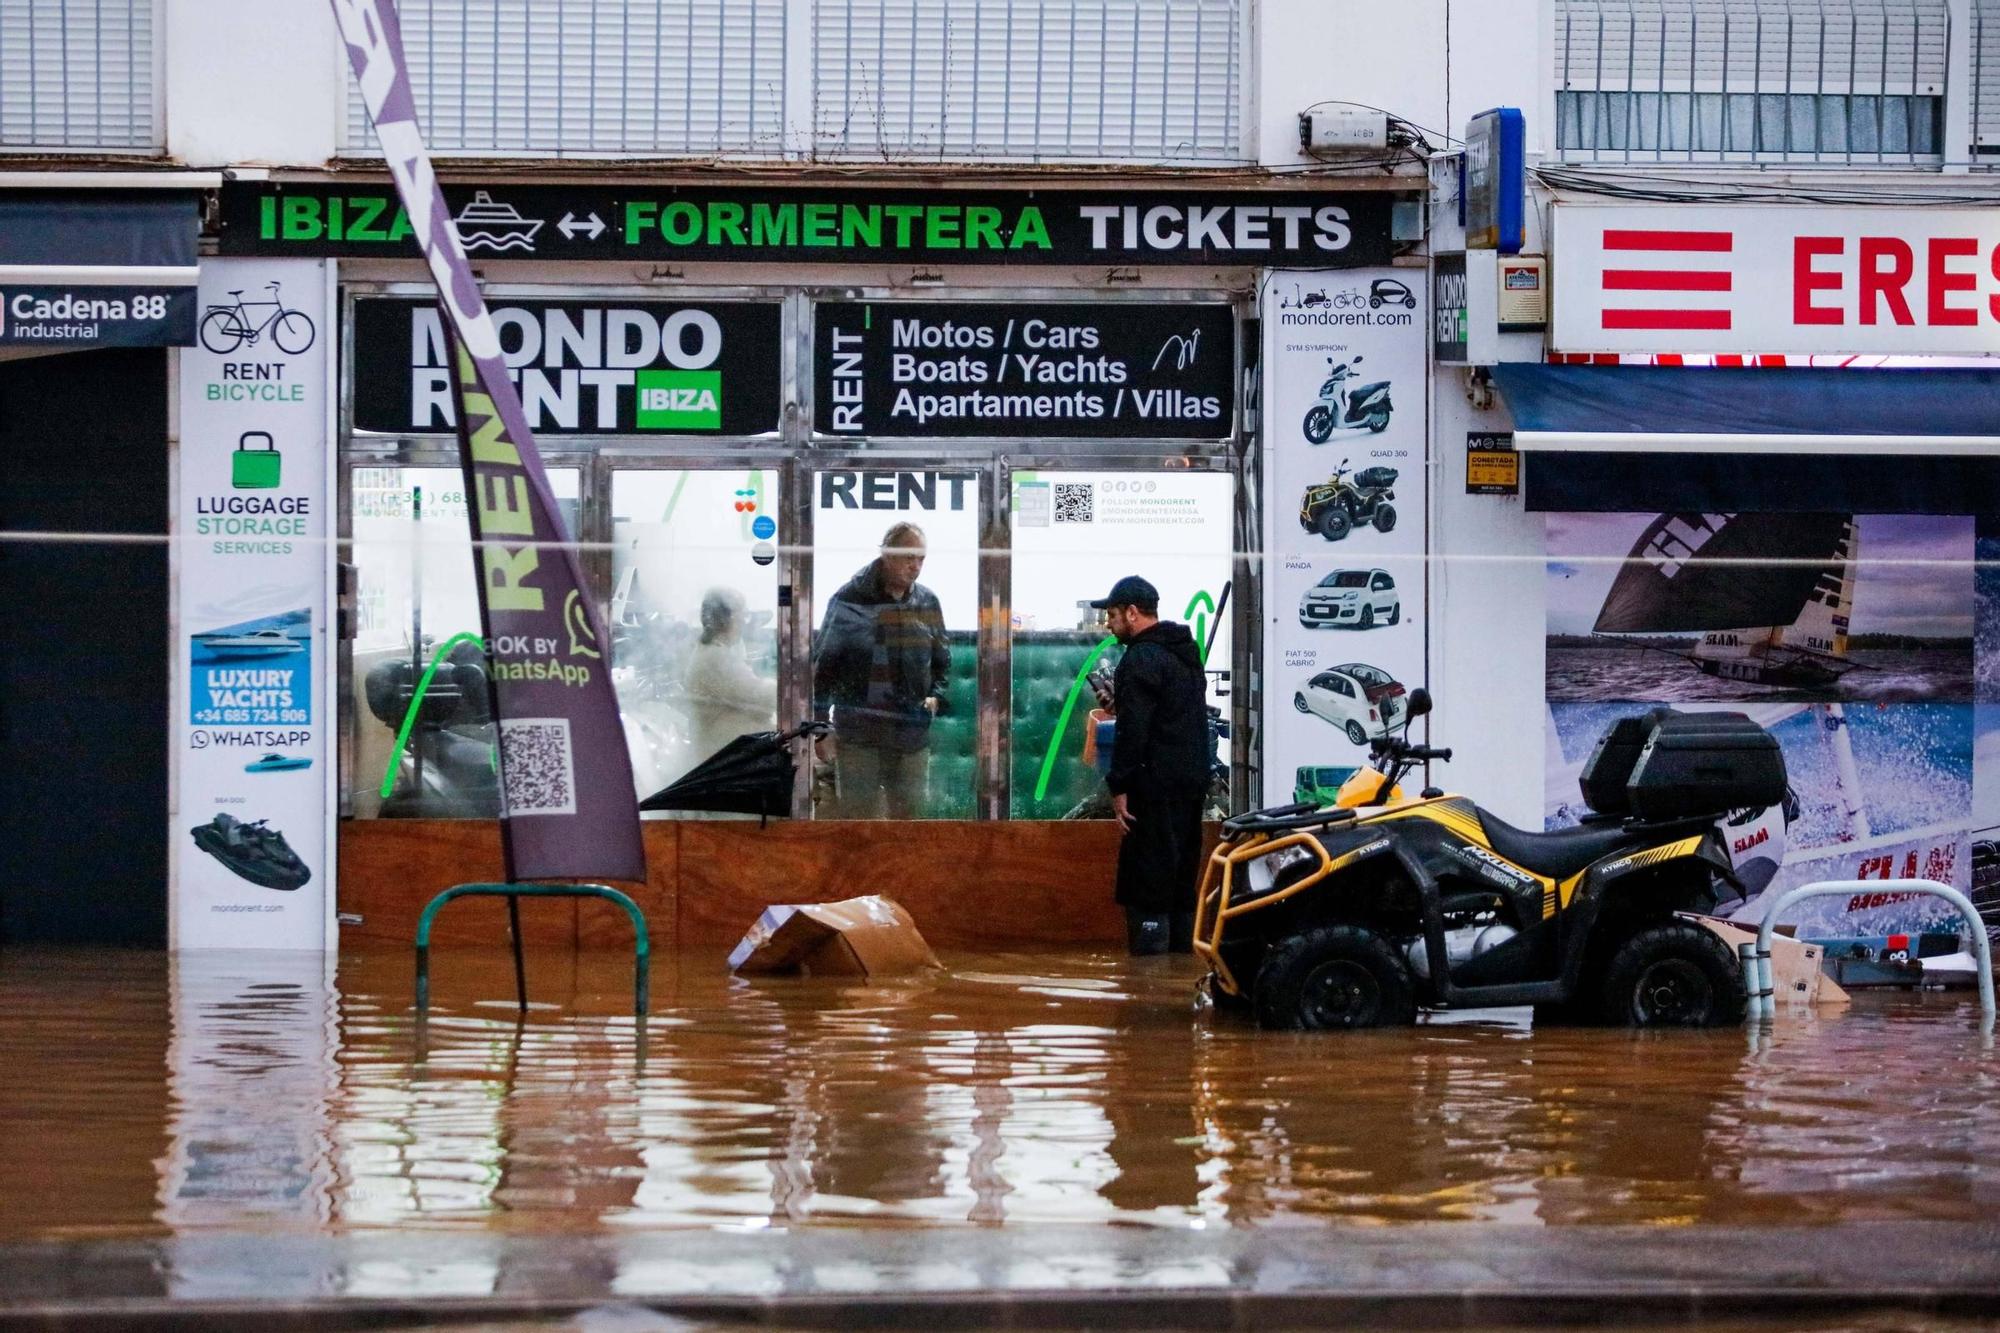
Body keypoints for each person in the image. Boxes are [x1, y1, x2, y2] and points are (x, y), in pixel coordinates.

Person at [1092, 575, 1211, 956]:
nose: (1108, 624)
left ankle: (1147, 991)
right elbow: (1173, 716)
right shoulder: (1184, 654)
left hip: (1153, 789)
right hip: (1189, 787)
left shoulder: (1140, 658)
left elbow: (1135, 732)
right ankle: (1179, 973)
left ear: (1132, 612)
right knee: (1179, 883)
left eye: (1112, 615)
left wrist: (1119, 786)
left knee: (1148, 884)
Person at [812, 522, 951, 819]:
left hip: (911, 734)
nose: (915, 566)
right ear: (887, 555)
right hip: (860, 735)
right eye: (908, 557)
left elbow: (942, 661)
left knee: (910, 824)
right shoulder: (849, 599)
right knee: (860, 823)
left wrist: (935, 698)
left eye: (921, 559)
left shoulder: (927, 601)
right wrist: (822, 728)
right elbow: (823, 666)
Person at [683, 587, 776, 767]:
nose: (743, 622)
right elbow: (762, 697)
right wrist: (788, 684)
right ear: (725, 619)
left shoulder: (713, 651)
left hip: (723, 754)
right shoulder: (716, 658)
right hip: (723, 759)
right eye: (742, 614)